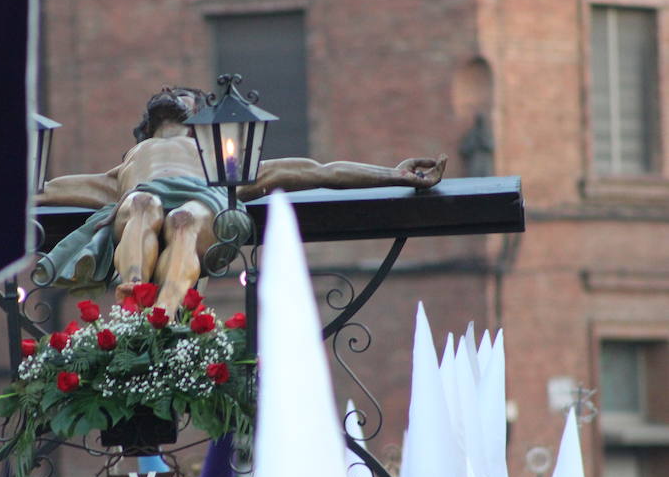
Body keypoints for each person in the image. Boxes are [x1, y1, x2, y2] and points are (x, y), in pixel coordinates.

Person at [37, 85, 447, 316]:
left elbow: (317, 171)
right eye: (168, 93)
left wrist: (393, 174)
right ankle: (134, 293)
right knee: (142, 205)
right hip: (140, 203)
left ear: (201, 115)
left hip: (202, 205)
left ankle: (163, 311)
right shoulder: (127, 165)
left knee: (183, 221)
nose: (172, 95)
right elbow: (44, 190)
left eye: (183, 94)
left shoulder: (225, 161)